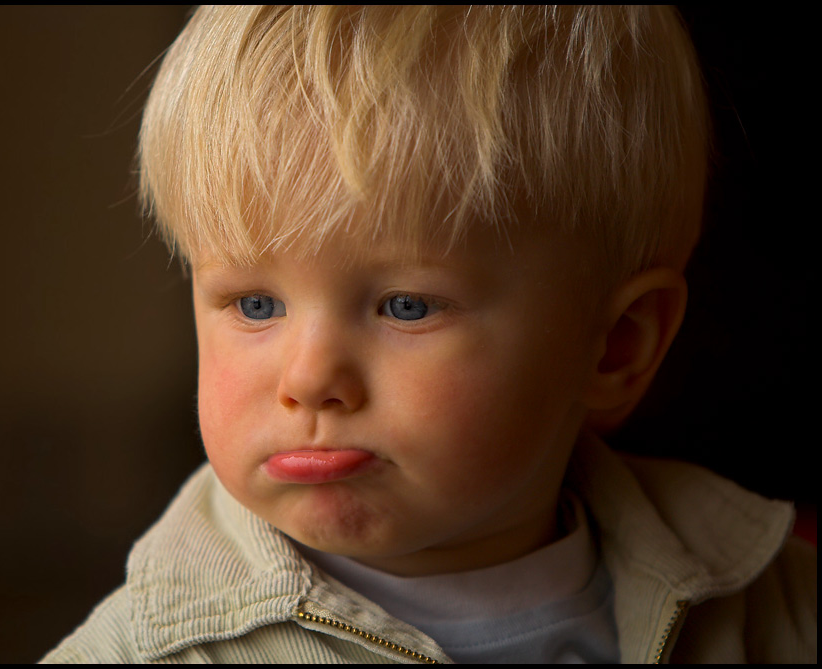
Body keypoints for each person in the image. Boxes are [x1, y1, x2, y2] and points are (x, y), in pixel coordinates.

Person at [43, 6, 816, 663]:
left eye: (406, 307)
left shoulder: (774, 608)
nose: (309, 378)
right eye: (254, 305)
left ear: (616, 344)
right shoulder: (142, 650)